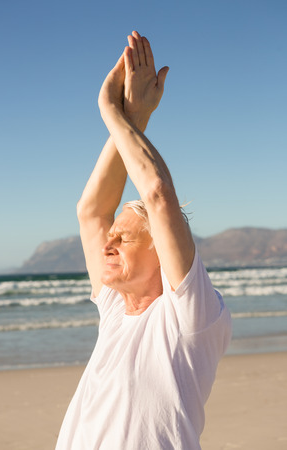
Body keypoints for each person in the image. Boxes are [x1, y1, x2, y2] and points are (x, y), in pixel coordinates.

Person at [56, 31, 232, 450]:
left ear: (161, 249)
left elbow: (157, 194)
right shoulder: (116, 309)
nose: (107, 244)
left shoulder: (191, 318)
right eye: (111, 237)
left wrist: (111, 111)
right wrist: (134, 119)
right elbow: (92, 212)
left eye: (124, 238)